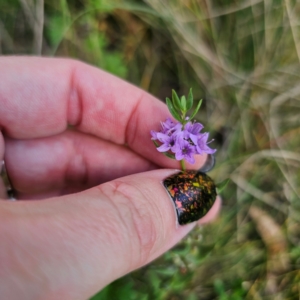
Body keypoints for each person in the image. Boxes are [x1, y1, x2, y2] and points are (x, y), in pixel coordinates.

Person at [0, 57, 221, 299]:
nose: (183, 148)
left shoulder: (189, 143)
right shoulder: (175, 143)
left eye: (180, 144)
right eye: (173, 142)